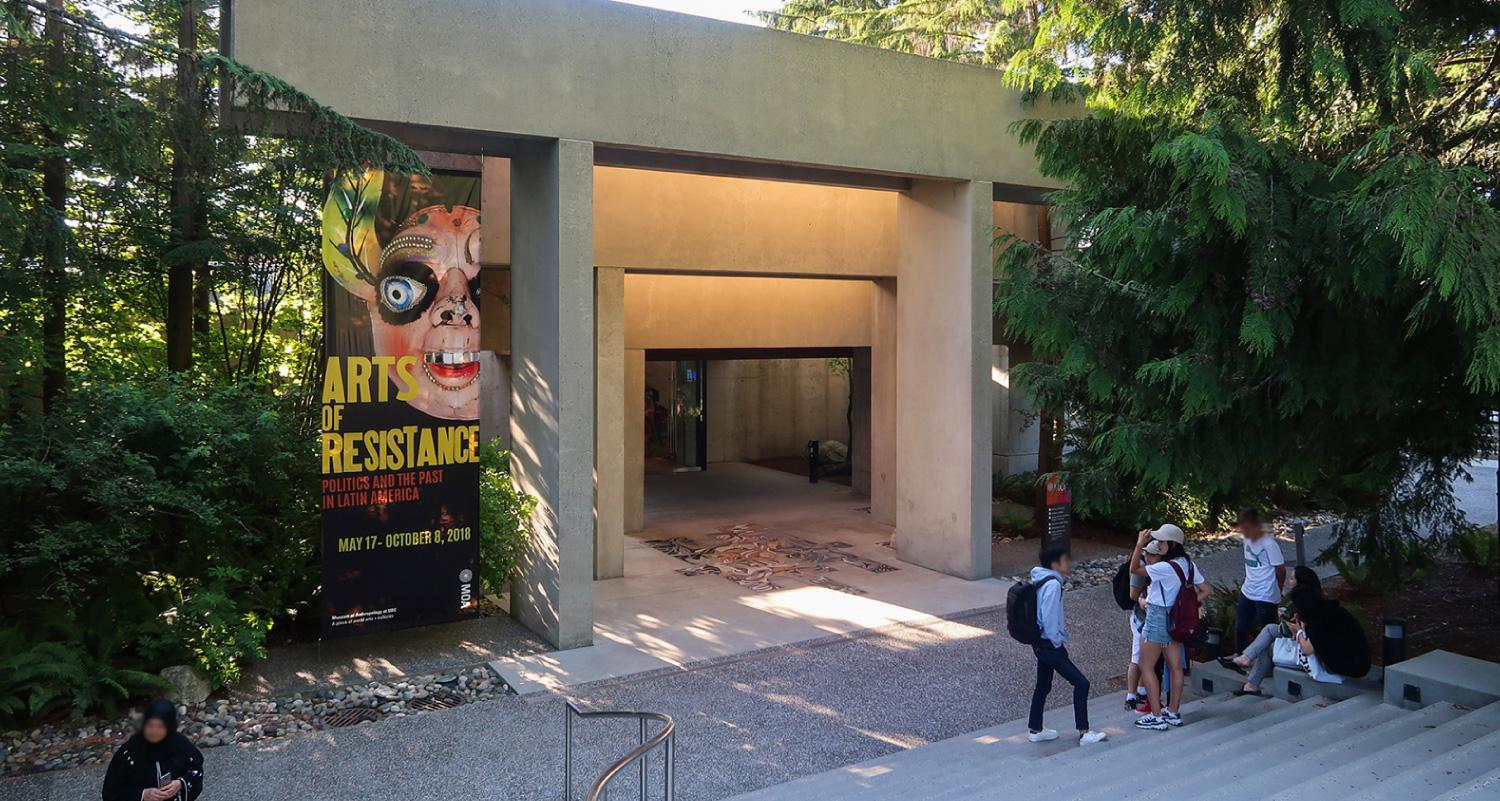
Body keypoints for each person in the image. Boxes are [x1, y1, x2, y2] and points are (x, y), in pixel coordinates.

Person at [1225, 566, 1371, 694]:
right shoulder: (1322, 607)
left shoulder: (1319, 617)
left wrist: (1299, 631)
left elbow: (1308, 648)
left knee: (1269, 648)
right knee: (1270, 630)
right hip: (1341, 655)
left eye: (1292, 578)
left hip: (1342, 665)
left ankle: (1250, 677)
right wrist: (1293, 624)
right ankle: (1248, 667)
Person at [1129, 523, 1210, 731]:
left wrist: (1139, 545)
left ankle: (1156, 716)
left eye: (1162, 541)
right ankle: (1173, 712)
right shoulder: (1188, 564)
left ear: (1172, 544)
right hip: (1176, 620)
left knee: (1146, 666)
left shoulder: (1164, 567)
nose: (1158, 544)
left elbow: (1135, 569)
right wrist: (1189, 606)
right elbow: (1205, 589)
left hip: (1157, 616)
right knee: (1175, 666)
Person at [1027, 546, 1109, 746]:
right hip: (1049, 644)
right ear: (1055, 564)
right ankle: (1084, 732)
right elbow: (1049, 618)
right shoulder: (1053, 584)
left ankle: (1035, 729)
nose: (1069, 563)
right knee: (1081, 683)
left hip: (1038, 642)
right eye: (1066, 560)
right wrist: (1056, 643)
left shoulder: (1040, 578)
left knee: (1043, 685)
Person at [102, 699, 204, 801]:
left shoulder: (180, 744)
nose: (154, 731)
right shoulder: (130, 752)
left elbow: (196, 770)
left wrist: (181, 783)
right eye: (150, 725)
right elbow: (111, 791)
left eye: (160, 727)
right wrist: (142, 795)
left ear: (169, 727)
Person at [1234, 507, 1286, 653]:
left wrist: (1278, 587)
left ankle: (1270, 659)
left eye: (1247, 528)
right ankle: (1239, 654)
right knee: (1241, 625)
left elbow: (1280, 569)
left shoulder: (1269, 544)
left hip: (1266, 592)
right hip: (1249, 589)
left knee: (1267, 629)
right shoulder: (1247, 540)